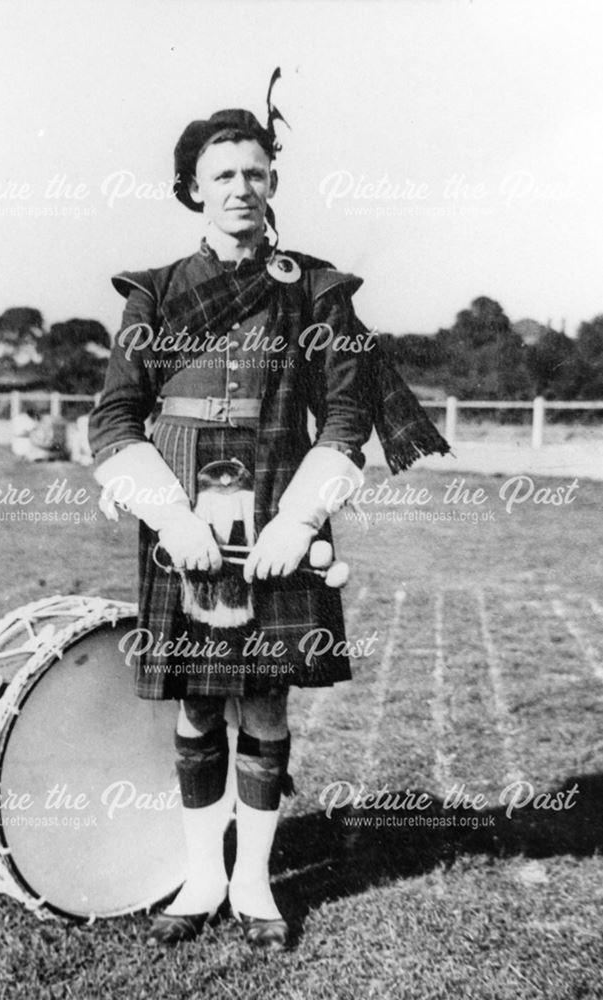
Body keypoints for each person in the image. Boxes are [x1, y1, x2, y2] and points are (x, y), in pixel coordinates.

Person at [88, 70, 449, 951]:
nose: (240, 189)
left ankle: (252, 885)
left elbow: (350, 416)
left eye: (255, 173)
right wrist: (168, 515)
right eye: (222, 176)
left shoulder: (314, 291)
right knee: (197, 705)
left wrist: (298, 522)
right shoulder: (157, 293)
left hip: (280, 512)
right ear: (192, 192)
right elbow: (113, 418)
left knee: (265, 703)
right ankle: (200, 877)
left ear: (272, 183)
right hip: (178, 517)